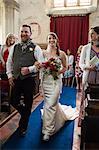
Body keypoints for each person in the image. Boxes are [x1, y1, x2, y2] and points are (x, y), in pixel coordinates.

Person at [40, 32, 79, 141]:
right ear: (47, 40)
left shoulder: (61, 54)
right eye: (49, 38)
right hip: (46, 82)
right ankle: (50, 121)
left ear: (56, 40)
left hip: (56, 82)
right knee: (48, 104)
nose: (51, 40)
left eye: (53, 38)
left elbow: (65, 67)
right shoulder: (43, 53)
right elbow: (40, 67)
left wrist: (57, 72)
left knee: (51, 103)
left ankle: (47, 131)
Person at [6, 24, 43, 136]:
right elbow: (9, 62)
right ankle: (25, 113)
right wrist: (9, 75)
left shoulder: (36, 48)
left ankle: (23, 127)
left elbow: (40, 64)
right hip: (16, 78)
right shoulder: (15, 47)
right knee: (13, 100)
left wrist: (30, 69)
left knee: (28, 102)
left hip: (29, 80)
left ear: (30, 34)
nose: (23, 34)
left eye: (26, 32)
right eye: (22, 31)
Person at [78, 26, 99, 126]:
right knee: (85, 101)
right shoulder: (86, 48)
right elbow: (80, 64)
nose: (90, 36)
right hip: (89, 75)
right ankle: (84, 123)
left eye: (93, 34)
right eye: (90, 34)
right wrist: (88, 67)